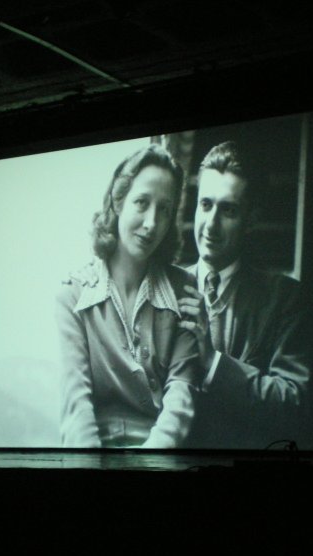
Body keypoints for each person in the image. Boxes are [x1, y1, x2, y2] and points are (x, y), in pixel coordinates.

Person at [55, 144, 201, 449]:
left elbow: (181, 393)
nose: (152, 223)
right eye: (141, 203)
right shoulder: (73, 296)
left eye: (164, 210)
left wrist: (149, 463)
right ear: (118, 201)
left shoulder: (184, 288)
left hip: (163, 458)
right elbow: (76, 408)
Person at [178, 140, 310, 449]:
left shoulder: (285, 298)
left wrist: (212, 363)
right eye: (205, 205)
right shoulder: (164, 286)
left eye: (229, 210)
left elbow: (294, 403)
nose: (211, 224)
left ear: (251, 219)